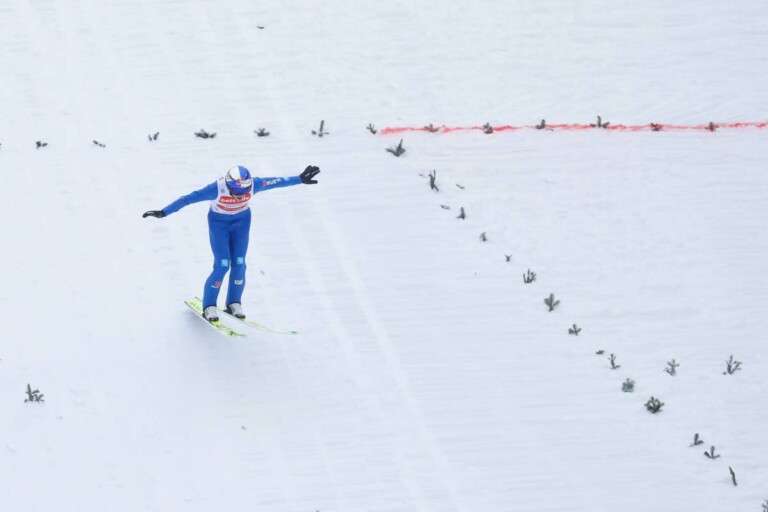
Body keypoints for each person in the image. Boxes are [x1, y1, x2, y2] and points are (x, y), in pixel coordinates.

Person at [143, 165, 320, 322]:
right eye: (236, 191)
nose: (239, 196)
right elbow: (188, 198)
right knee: (222, 265)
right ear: (228, 185)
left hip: (241, 223)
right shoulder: (217, 188)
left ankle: (234, 302)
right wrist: (163, 212)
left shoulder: (254, 184)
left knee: (240, 264)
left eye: (244, 191)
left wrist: (300, 179)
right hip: (219, 225)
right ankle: (209, 306)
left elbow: (275, 182)